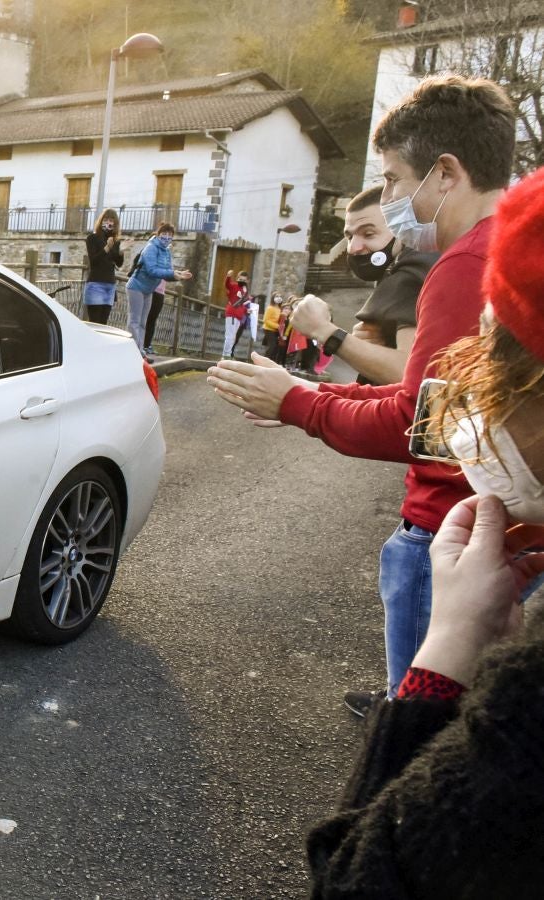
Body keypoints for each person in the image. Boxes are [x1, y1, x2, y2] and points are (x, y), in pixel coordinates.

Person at [206, 75, 516, 715]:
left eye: (397, 180)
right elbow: (434, 399)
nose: (393, 198)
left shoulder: (463, 266)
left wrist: (298, 404)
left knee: (418, 727)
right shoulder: (512, 252)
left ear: (447, 173)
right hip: (495, 527)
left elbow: (419, 426)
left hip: (448, 534)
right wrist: (307, 390)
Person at [306, 167, 544, 894]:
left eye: (494, 371)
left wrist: (442, 661)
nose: (480, 407)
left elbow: (361, 876)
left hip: (441, 538)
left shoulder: (458, 263)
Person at [291, 185, 437, 386]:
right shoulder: (407, 268)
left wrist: (324, 330)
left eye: (368, 234)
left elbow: (410, 375)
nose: (353, 248)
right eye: (349, 236)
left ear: (402, 229)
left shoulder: (414, 272)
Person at [125, 222, 192, 359]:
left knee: (143, 322)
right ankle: (133, 351)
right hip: (136, 286)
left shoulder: (166, 251)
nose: (166, 237)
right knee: (134, 320)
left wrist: (178, 275)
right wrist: (173, 274)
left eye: (170, 235)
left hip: (148, 290)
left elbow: (167, 271)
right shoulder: (151, 248)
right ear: (158, 234)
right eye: (164, 234)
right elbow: (152, 270)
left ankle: (140, 351)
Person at [83, 209, 124, 325]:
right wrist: (106, 248)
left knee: (104, 322)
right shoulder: (92, 238)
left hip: (110, 285)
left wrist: (121, 252)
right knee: (95, 322)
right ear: (101, 221)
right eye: (105, 220)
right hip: (96, 284)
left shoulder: (115, 241)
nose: (108, 223)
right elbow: (94, 261)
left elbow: (119, 263)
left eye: (111, 220)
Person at [222, 270, 250, 358]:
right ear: (237, 278)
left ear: (247, 281)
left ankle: (228, 354)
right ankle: (225, 355)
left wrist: (246, 311)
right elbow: (227, 285)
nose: (242, 281)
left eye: (244, 280)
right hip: (232, 314)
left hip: (238, 316)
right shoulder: (234, 286)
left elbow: (240, 304)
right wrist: (228, 276)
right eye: (240, 279)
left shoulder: (244, 291)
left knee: (233, 337)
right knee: (230, 336)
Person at [262, 294, 284, 359]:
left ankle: (271, 360)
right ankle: (265, 359)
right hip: (268, 329)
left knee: (275, 346)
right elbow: (265, 320)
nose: (279, 298)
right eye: (277, 296)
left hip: (276, 331)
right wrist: (277, 326)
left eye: (280, 296)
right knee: (272, 345)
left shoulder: (280, 309)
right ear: (273, 298)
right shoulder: (270, 308)